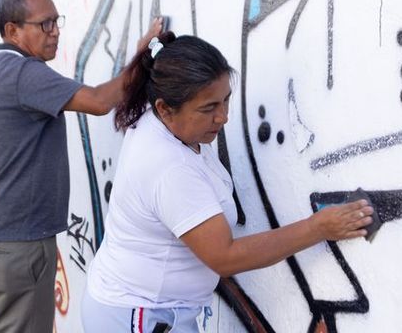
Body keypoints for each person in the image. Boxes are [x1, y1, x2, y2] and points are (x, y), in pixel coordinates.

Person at [81, 32, 374, 332]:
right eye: (209, 108)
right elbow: (225, 256)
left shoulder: (169, 127)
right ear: (164, 109)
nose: (223, 117)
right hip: (136, 316)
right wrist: (319, 227)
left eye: (226, 100)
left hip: (143, 310)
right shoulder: (168, 169)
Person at [0, 0, 162, 333]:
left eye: (57, 21)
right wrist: (141, 55)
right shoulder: (24, 71)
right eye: (45, 24)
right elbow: (101, 102)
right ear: (12, 30)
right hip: (19, 240)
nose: (55, 31)